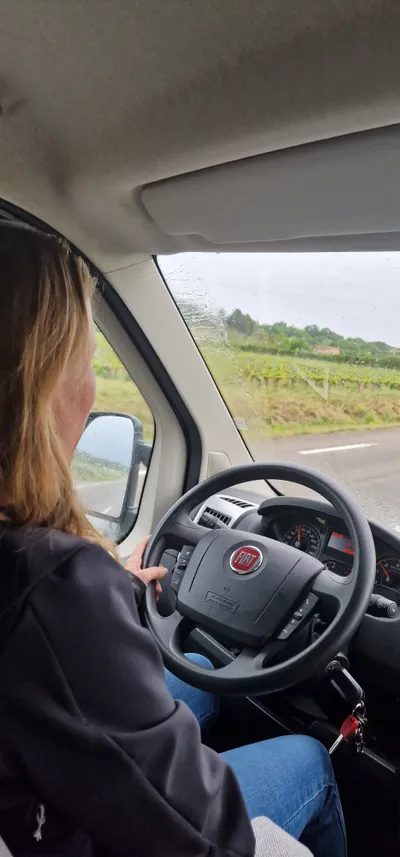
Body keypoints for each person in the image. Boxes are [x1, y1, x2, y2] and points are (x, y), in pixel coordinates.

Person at [0, 221, 346, 857]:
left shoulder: (48, 583)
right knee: (309, 759)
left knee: (206, 669)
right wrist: (86, 602)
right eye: (86, 362)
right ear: (40, 385)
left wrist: (111, 597)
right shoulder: (51, 587)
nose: (91, 389)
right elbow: (204, 837)